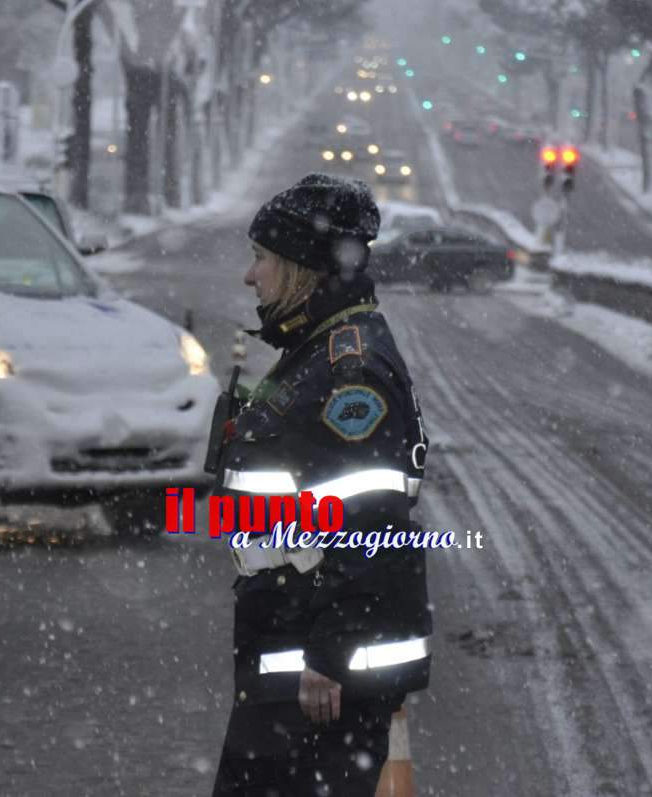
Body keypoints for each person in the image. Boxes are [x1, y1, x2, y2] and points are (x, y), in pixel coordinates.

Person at [210, 174, 432, 796]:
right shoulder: (318, 348)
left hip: (317, 678)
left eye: (261, 260)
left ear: (304, 269)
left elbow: (373, 518)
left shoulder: (349, 367)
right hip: (290, 648)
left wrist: (329, 657)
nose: (250, 277)